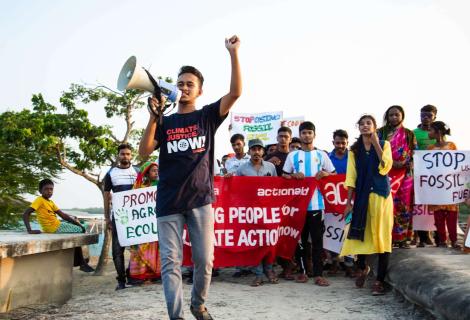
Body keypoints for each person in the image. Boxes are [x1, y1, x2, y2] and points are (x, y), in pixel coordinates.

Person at [138, 36, 241, 320]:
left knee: (204, 261)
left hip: (200, 201)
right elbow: (143, 152)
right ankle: (176, 316)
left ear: (199, 91)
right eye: (180, 83)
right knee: (170, 264)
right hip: (168, 203)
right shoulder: (166, 122)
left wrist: (233, 53)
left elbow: (235, 92)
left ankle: (198, 305)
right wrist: (154, 117)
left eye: (189, 84)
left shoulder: (207, 116)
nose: (183, 88)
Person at [340, 114, 393, 296]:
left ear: (375, 126)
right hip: (362, 196)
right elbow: (351, 177)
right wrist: (348, 202)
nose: (364, 126)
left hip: (381, 196)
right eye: (361, 124)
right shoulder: (354, 150)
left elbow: (386, 166)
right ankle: (362, 267)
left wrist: (376, 142)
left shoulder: (385, 144)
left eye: (368, 123)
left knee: (382, 236)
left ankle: (379, 282)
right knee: (359, 232)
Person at [283, 121, 336, 287]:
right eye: (304, 133)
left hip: (317, 205)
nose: (307, 135)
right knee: (300, 241)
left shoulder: (322, 155)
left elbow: (334, 175)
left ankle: (319, 274)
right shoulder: (293, 156)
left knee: (318, 241)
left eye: (309, 133)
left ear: (314, 135)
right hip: (298, 206)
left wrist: (325, 173)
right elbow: (284, 176)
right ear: (300, 135)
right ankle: (303, 272)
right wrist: (293, 176)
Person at [22, 179, 94, 273]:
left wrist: (76, 223)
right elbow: (26, 214)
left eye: (51, 189)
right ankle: (82, 262)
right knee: (81, 230)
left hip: (57, 225)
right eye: (46, 189)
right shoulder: (39, 200)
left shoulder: (50, 202)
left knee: (79, 228)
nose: (49, 191)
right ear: (40, 191)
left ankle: (80, 261)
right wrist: (30, 230)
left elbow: (63, 215)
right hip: (54, 228)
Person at [236, 138, 278, 286]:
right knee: (254, 242)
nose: (257, 152)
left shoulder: (271, 167)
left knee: (269, 241)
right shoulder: (241, 169)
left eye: (259, 149)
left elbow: (277, 189)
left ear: (263, 152)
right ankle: (258, 273)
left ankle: (269, 269)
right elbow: (236, 190)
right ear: (249, 151)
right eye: (254, 149)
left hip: (268, 211)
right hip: (250, 211)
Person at [377, 106, 416, 248]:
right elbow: (377, 152)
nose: (394, 117)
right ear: (387, 117)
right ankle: (388, 238)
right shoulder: (380, 133)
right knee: (387, 205)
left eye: (396, 115)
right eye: (391, 115)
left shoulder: (409, 134)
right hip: (385, 173)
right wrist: (392, 163)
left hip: (405, 175)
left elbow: (414, 153)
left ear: (402, 116)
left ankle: (403, 238)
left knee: (404, 205)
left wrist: (405, 163)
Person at [103, 143, 138, 290]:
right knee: (117, 250)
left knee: (138, 247)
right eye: (123, 154)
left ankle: (134, 276)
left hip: (137, 216)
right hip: (119, 216)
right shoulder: (111, 173)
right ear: (118, 155)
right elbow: (106, 196)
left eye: (128, 154)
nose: (125, 156)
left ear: (131, 155)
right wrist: (107, 217)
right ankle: (121, 281)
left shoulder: (138, 171)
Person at [427, 121, 461, 249]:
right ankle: (442, 240)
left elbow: (456, 163)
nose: (428, 133)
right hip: (436, 186)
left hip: (450, 186)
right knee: (438, 215)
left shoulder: (451, 146)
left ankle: (454, 240)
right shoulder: (429, 149)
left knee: (452, 215)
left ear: (439, 132)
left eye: (431, 130)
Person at [326, 129, 355, 277]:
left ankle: (349, 264)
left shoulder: (353, 157)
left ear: (347, 143)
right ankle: (334, 263)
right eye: (338, 142)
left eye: (343, 143)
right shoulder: (327, 158)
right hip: (332, 201)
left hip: (350, 200)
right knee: (333, 231)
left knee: (348, 231)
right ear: (333, 142)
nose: (340, 145)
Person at [127, 161, 161, 284]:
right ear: (146, 173)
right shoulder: (138, 188)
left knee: (155, 248)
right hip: (141, 226)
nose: (156, 172)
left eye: (157, 170)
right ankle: (140, 276)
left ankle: (153, 275)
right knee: (140, 248)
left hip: (154, 224)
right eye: (153, 170)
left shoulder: (160, 185)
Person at [413, 104, 438, 246]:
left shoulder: (439, 134)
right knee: (420, 206)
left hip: (436, 175)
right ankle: (423, 237)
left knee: (435, 205)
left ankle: (436, 235)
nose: (426, 118)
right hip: (419, 174)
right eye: (423, 115)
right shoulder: (414, 133)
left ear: (435, 117)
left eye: (429, 115)